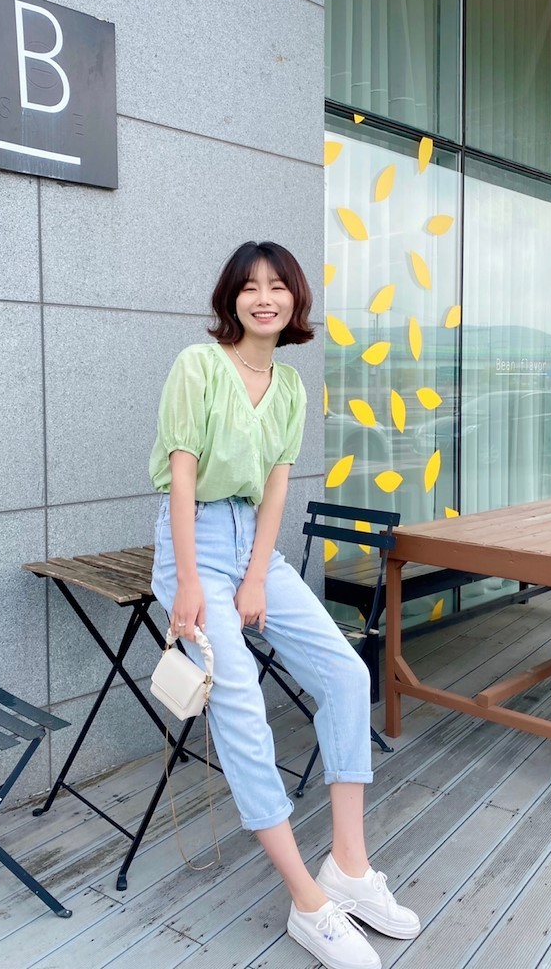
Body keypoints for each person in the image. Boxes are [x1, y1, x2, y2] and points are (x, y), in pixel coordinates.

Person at [148, 241, 420, 969]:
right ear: (231, 298)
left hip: (253, 546)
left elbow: (275, 490)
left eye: (278, 286)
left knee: (347, 674)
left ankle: (350, 868)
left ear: (296, 300)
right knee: (240, 700)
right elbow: (181, 478)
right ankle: (308, 901)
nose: (263, 298)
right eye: (250, 286)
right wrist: (189, 582)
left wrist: (258, 578)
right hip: (194, 542)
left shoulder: (292, 387)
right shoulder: (199, 366)